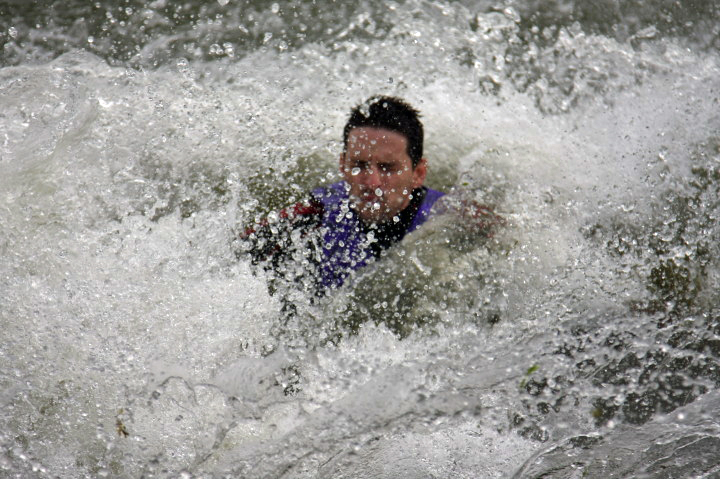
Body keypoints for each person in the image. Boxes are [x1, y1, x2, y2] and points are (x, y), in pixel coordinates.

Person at [239, 95, 497, 295]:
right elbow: (237, 256)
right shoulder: (314, 215)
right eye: (359, 165)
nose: (371, 182)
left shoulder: (450, 219)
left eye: (387, 168)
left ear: (418, 173)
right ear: (342, 165)